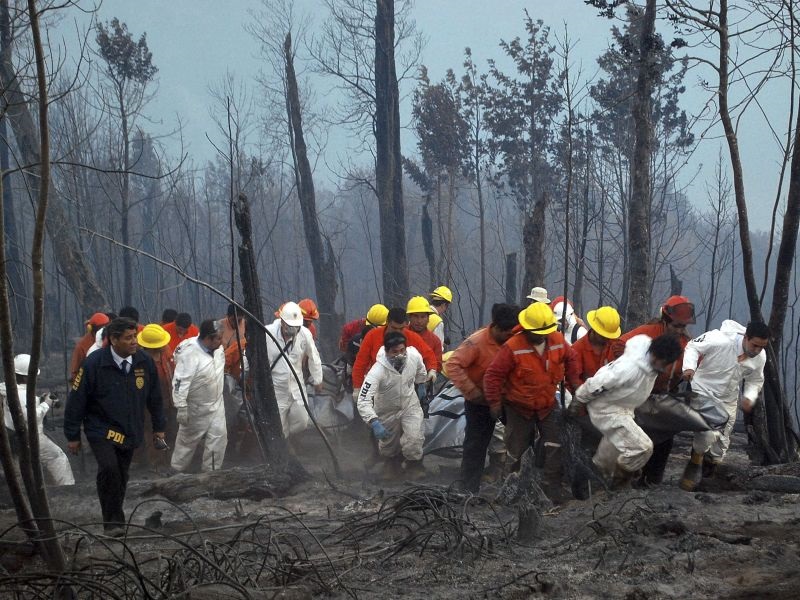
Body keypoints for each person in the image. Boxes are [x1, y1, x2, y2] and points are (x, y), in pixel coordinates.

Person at [65, 317, 166, 536]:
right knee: (109, 468)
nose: (134, 342)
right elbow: (77, 399)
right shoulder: (93, 364)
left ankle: (114, 515)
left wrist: (159, 427)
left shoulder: (143, 362)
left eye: (135, 337)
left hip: (129, 429)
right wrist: (72, 435)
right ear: (113, 339)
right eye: (128, 338)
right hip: (100, 429)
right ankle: (112, 523)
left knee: (120, 474)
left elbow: (155, 398)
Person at [484, 302, 581, 501]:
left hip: (547, 404)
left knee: (555, 444)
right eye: (538, 332)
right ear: (527, 328)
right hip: (518, 407)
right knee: (517, 450)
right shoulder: (512, 347)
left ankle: (551, 487)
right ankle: (514, 488)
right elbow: (493, 376)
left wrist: (575, 385)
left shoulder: (557, 340)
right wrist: (494, 403)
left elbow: (571, 359)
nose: (542, 336)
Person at [570, 334, 683, 489]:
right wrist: (579, 400)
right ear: (655, 355)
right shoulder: (629, 368)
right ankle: (621, 483)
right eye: (663, 363)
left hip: (625, 408)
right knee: (642, 447)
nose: (663, 368)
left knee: (607, 459)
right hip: (608, 410)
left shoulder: (647, 358)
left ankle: (588, 480)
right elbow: (598, 382)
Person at [609, 295, 695, 485]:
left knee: (665, 438)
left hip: (666, 394)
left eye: (682, 327)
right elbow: (619, 344)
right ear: (665, 320)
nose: (679, 331)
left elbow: (695, 361)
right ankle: (624, 477)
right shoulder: (649, 332)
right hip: (640, 394)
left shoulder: (687, 344)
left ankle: (653, 480)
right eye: (676, 326)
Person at [678, 320, 768, 491]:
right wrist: (688, 368)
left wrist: (749, 397)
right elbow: (692, 346)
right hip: (703, 390)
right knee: (708, 433)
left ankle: (708, 475)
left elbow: (755, 380)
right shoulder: (720, 339)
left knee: (722, 441)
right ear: (746, 337)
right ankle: (694, 463)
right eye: (755, 345)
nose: (757, 351)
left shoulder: (759, 357)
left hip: (728, 398)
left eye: (761, 347)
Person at [447, 303, 518, 492]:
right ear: (497, 327)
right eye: (508, 333)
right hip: (480, 401)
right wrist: (472, 391)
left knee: (519, 441)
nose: (512, 337)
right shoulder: (476, 342)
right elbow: (453, 365)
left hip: (508, 398)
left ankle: (515, 485)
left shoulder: (517, 340)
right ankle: (468, 489)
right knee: (475, 445)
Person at [357, 331, 428, 478]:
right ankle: (391, 463)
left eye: (402, 350)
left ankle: (414, 465)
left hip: (410, 404)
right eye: (394, 352)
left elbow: (421, 369)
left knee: (414, 439)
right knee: (388, 446)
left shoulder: (413, 356)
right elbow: (363, 400)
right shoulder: (377, 371)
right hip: (387, 409)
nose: (399, 355)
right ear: (387, 351)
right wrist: (374, 421)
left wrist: (421, 384)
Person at [3, 354, 74, 486]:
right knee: (57, 457)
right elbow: (27, 418)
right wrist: (46, 404)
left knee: (21, 468)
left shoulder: (8, 389)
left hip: (11, 436)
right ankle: (65, 487)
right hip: (29, 436)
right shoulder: (21, 394)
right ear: (26, 376)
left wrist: (39, 400)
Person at [171, 320, 227, 473]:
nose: (222, 341)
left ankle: (211, 473)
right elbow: (180, 381)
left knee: (218, 438)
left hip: (216, 404)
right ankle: (177, 470)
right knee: (187, 441)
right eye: (219, 338)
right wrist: (181, 406)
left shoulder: (218, 349)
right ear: (208, 338)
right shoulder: (190, 353)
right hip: (196, 407)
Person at [266, 301, 323, 438]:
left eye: (296, 327)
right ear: (282, 322)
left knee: (302, 421)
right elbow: (250, 354)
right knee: (279, 427)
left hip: (297, 387)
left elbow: (313, 356)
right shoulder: (267, 334)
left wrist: (318, 379)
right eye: (290, 326)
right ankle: (283, 449)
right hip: (277, 389)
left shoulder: (305, 334)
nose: (293, 330)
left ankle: (287, 439)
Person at [351, 307, 439, 390]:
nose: (398, 332)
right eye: (394, 328)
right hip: (379, 388)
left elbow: (429, 355)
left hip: (406, 388)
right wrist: (357, 388)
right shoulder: (372, 336)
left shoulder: (412, 337)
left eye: (401, 329)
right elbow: (360, 364)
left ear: (406, 324)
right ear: (387, 323)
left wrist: (431, 370)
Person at [136, 324, 176, 468]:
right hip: (150, 406)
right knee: (152, 434)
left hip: (169, 401)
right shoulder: (140, 361)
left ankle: (167, 461)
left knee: (170, 432)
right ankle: (155, 464)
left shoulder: (165, 354)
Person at [217, 304, 248, 446]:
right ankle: (229, 439)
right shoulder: (218, 326)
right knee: (230, 410)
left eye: (240, 319)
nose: (237, 322)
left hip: (244, 374)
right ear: (228, 317)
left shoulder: (245, 325)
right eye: (234, 319)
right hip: (226, 373)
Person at [571, 306, 622, 382]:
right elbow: (572, 381)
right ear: (595, 329)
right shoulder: (577, 350)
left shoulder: (616, 346)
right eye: (603, 335)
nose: (607, 339)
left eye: (609, 336)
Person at [69, 312, 110, 383]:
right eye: (101, 328)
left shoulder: (112, 339)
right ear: (91, 329)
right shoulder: (81, 346)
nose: (103, 331)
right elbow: (74, 372)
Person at [406, 296, 443, 368]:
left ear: (428, 318)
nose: (419, 321)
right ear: (409, 317)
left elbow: (437, 365)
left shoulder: (435, 341)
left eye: (423, 317)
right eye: (416, 316)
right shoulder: (400, 334)